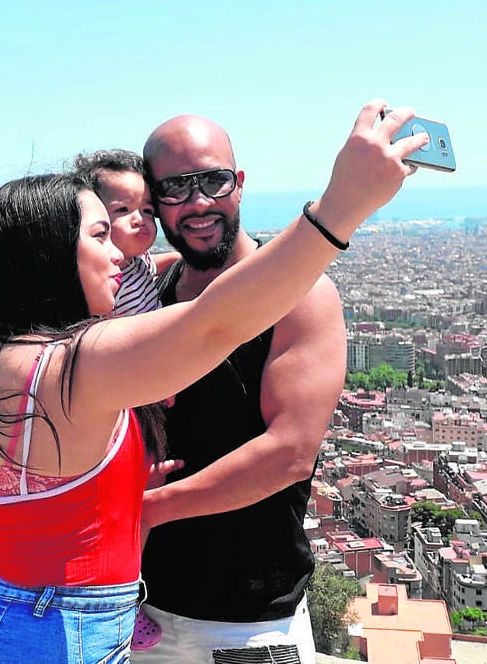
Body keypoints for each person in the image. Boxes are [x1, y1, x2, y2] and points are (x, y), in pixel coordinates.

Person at [0, 101, 427, 663]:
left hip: (12, 611)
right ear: (53, 253)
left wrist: (133, 495)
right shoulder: (75, 366)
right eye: (101, 234)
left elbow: (286, 451)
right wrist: (341, 206)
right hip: (54, 633)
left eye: (213, 181)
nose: (122, 252)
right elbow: (217, 322)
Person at [134, 112, 369, 663]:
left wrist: (148, 509)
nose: (196, 203)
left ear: (239, 183)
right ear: (155, 201)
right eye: (174, 188)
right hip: (140, 610)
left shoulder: (302, 296)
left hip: (249, 621)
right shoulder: (150, 292)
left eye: (212, 181)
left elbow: (287, 454)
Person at [72, 149, 178, 316]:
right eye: (122, 209)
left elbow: (154, 264)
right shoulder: (103, 283)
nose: (140, 219)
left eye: (147, 210)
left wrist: (180, 257)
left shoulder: (137, 260)